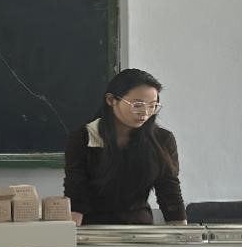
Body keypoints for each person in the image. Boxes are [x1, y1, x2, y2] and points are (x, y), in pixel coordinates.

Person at [63, 68, 187, 226]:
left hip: (139, 229)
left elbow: (169, 191)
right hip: (93, 229)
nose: (145, 113)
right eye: (137, 105)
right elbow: (76, 193)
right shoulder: (83, 138)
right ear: (111, 100)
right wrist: (73, 235)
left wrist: (182, 235)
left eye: (152, 105)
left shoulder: (162, 139)